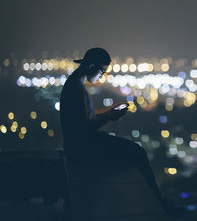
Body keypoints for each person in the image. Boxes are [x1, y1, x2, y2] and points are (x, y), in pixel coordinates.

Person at [59, 47, 184, 218]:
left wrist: (110, 111)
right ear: (92, 67)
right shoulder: (76, 88)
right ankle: (158, 200)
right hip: (82, 146)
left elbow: (85, 119)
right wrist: (111, 115)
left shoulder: (75, 84)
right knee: (137, 152)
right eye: (102, 71)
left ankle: (159, 199)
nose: (102, 75)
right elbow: (86, 125)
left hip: (80, 143)